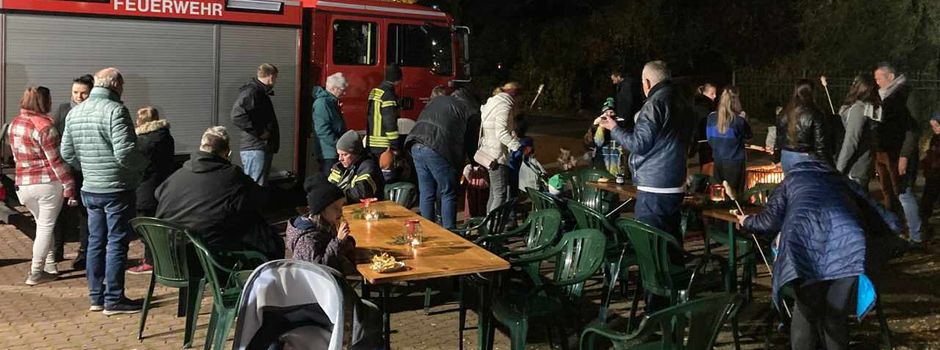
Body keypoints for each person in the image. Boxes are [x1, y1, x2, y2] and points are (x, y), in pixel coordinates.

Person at [736, 159, 901, 350]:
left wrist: (747, 221)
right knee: (835, 318)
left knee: (806, 312)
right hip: (847, 249)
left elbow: (767, 222)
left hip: (805, 250)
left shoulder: (791, 181)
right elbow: (887, 219)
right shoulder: (841, 180)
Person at [61, 67, 147, 314]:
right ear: (117, 85)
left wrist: (88, 168)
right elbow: (126, 153)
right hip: (116, 189)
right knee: (117, 243)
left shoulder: (75, 113)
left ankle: (96, 297)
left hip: (90, 188)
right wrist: (142, 169)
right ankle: (114, 299)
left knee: (95, 243)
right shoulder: (116, 111)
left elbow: (67, 153)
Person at [600, 60, 694, 257]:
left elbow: (638, 144)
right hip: (676, 183)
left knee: (650, 247)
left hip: (654, 186)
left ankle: (654, 287)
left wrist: (614, 128)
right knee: (671, 243)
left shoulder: (654, 103)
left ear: (648, 83)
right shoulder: (682, 101)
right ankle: (676, 284)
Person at [155, 126, 284, 260]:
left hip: (170, 255)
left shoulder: (177, 176)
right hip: (207, 257)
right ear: (226, 153)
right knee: (265, 236)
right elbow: (260, 198)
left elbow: (158, 194)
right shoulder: (232, 175)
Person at [8, 86, 77, 285]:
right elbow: (56, 161)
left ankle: (50, 265)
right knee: (46, 227)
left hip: (23, 183)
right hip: (46, 183)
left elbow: (15, 156)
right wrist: (69, 184)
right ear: (44, 102)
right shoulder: (45, 127)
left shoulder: (15, 124)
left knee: (42, 225)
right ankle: (36, 271)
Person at [405, 90, 473, 229]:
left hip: (414, 143)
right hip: (435, 146)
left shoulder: (437, 101)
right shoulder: (467, 110)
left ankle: (427, 230)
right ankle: (450, 232)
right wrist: (473, 163)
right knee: (448, 191)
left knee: (426, 191)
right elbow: (469, 143)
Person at [874, 62, 922, 244]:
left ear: (891, 77)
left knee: (904, 193)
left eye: (879, 78)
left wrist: (904, 155)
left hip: (899, 153)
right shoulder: (886, 96)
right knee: (890, 192)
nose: (877, 82)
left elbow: (913, 129)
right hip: (886, 152)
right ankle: (897, 230)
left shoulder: (906, 95)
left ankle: (916, 236)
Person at [52, 74, 93, 269]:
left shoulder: (94, 111)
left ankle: (83, 253)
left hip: (86, 169)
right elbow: (56, 137)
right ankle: (57, 250)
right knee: (60, 212)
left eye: (84, 93)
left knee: (84, 213)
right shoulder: (63, 109)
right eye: (75, 92)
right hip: (66, 168)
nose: (79, 96)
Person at [127, 106, 175, 274]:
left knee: (146, 227)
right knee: (157, 225)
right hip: (161, 187)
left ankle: (150, 261)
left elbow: (137, 166)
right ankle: (156, 258)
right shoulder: (165, 136)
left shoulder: (144, 141)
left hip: (145, 189)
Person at [286, 174, 356, 274]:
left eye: (342, 207)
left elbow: (328, 248)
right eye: (335, 208)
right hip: (314, 285)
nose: (340, 212)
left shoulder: (325, 226)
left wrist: (346, 243)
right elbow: (320, 269)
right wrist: (339, 242)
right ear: (321, 210)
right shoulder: (307, 238)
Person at [231, 63, 280, 186]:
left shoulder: (258, 92)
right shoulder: (253, 92)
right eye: (275, 78)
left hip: (258, 147)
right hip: (255, 147)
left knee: (259, 185)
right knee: (255, 186)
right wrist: (260, 132)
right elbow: (237, 115)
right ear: (271, 77)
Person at [478, 82, 522, 212]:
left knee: (494, 192)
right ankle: (492, 227)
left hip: (488, 151)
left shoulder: (493, 103)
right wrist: (517, 146)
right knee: (500, 194)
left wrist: (512, 134)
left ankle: (488, 225)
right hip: (497, 155)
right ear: (515, 94)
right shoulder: (504, 105)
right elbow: (501, 132)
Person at [773, 79, 829, 173]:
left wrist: (777, 157)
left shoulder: (784, 112)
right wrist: (827, 166)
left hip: (786, 156)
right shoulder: (815, 114)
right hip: (806, 157)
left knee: (792, 186)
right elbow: (820, 144)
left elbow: (779, 138)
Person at [836, 74, 880, 188]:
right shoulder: (870, 108)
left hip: (853, 169)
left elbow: (851, 142)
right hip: (863, 165)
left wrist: (839, 169)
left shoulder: (858, 110)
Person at [706, 87, 752, 194]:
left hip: (717, 160)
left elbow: (709, 139)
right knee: (734, 195)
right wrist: (745, 120)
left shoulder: (711, 118)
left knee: (719, 193)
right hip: (734, 162)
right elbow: (749, 136)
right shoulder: (738, 120)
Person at [328, 130, 385, 203]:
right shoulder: (339, 167)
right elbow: (327, 186)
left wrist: (334, 196)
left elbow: (361, 192)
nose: (340, 159)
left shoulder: (368, 168)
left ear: (356, 153)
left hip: (363, 211)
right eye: (339, 154)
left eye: (344, 154)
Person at [312, 72, 347, 174]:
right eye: (342, 90)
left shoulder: (329, 102)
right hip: (329, 153)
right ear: (334, 88)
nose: (344, 93)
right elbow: (322, 130)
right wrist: (338, 144)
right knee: (329, 182)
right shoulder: (322, 104)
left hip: (332, 151)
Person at [366, 64, 402, 156]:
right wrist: (394, 145)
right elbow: (390, 121)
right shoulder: (388, 95)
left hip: (371, 143)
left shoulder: (375, 91)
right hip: (384, 145)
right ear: (397, 79)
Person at [919, 113, 940, 243]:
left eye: (937, 126)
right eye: (933, 127)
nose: (935, 129)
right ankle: (926, 229)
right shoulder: (934, 138)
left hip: (936, 174)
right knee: (926, 204)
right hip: (933, 175)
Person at [691, 82, 718, 175]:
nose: (714, 96)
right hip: (705, 141)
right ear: (704, 93)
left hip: (699, 141)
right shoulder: (706, 108)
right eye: (712, 93)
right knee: (707, 166)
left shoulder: (695, 105)